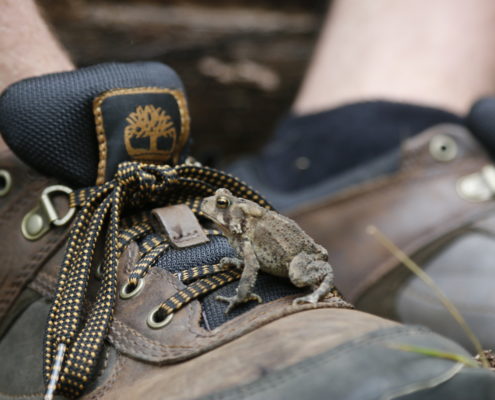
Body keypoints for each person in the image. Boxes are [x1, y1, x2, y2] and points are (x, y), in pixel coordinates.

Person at [0, 1, 495, 399]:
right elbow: (251, 265)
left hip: (301, 260)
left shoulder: (250, 232)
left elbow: (256, 265)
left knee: (369, 136)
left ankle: (359, 156)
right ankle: (33, 198)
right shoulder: (244, 231)